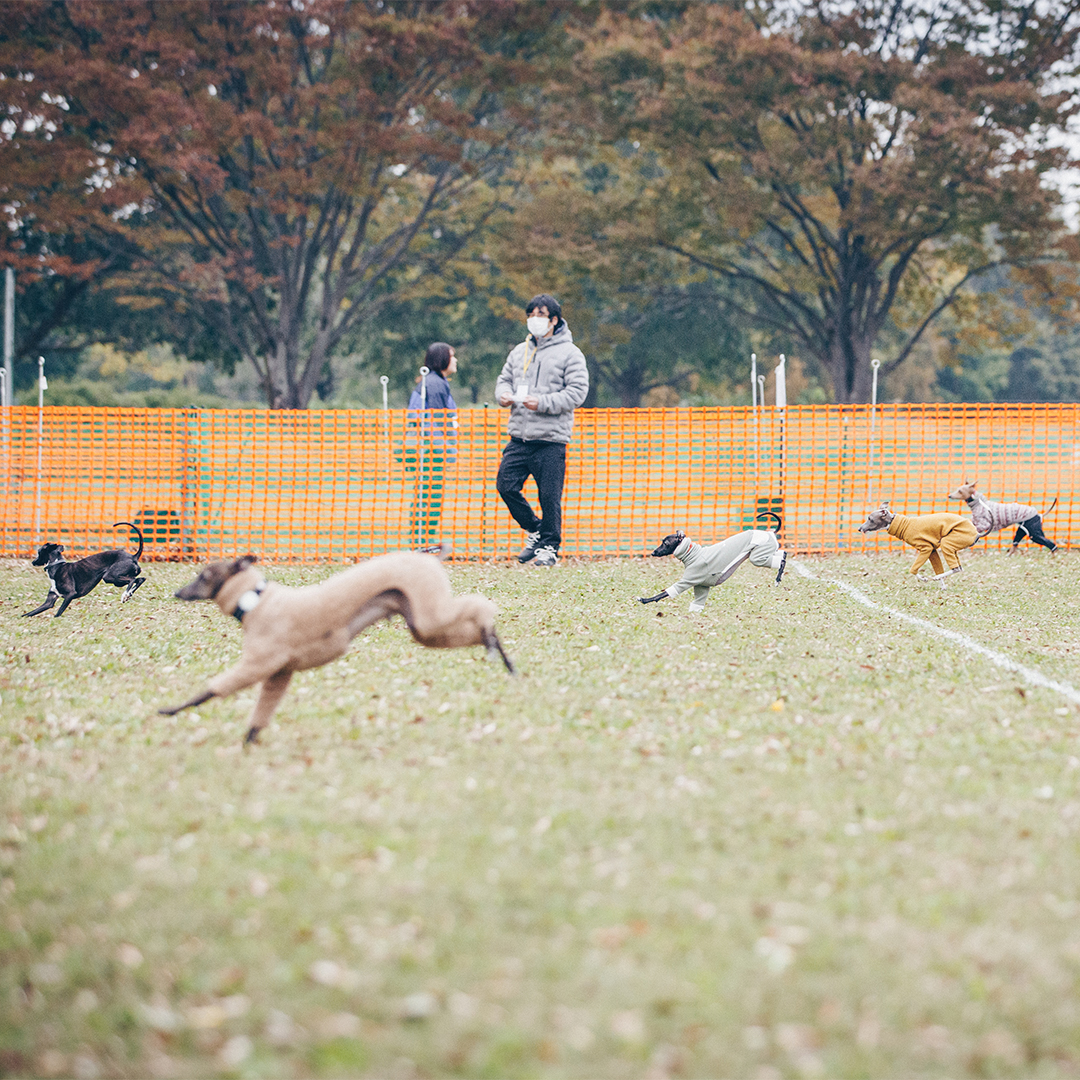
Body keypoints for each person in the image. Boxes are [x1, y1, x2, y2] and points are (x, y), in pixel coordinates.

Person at [495, 294, 589, 567]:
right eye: (531, 314)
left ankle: (550, 547)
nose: (534, 319)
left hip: (550, 438)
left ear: (554, 320)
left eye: (541, 314)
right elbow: (503, 380)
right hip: (519, 435)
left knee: (549, 496)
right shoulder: (519, 351)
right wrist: (503, 395)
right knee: (506, 485)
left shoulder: (570, 353)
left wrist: (544, 403)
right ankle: (536, 530)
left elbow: (577, 392)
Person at [405, 342, 458, 547]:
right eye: (452, 356)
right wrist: (445, 449)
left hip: (432, 450)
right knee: (429, 496)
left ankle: (422, 540)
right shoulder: (435, 384)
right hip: (432, 452)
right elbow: (434, 422)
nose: (455, 360)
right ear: (442, 359)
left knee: (427, 494)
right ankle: (422, 541)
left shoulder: (435, 382)